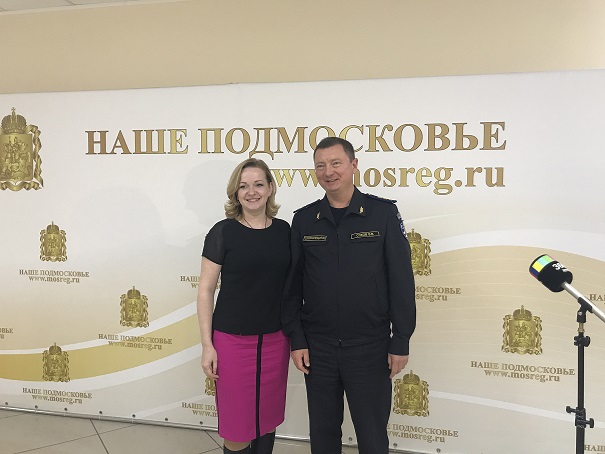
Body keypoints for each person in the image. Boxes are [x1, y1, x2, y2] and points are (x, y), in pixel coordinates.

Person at [282, 137, 416, 453]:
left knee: (372, 436)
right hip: (318, 348)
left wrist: (401, 339)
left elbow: (401, 281)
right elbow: (293, 286)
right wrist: (297, 339)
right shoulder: (304, 219)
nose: (328, 172)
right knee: (323, 434)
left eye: (336, 163)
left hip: (369, 348)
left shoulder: (382, 214)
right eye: (320, 165)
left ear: (354, 165)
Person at [197, 158, 291, 454]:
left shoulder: (284, 231)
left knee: (267, 421)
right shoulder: (223, 232)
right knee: (237, 429)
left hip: (276, 341)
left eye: (259, 184)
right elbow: (205, 291)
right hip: (233, 344)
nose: (252, 192)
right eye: (244, 186)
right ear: (235, 193)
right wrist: (207, 346)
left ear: (270, 188)